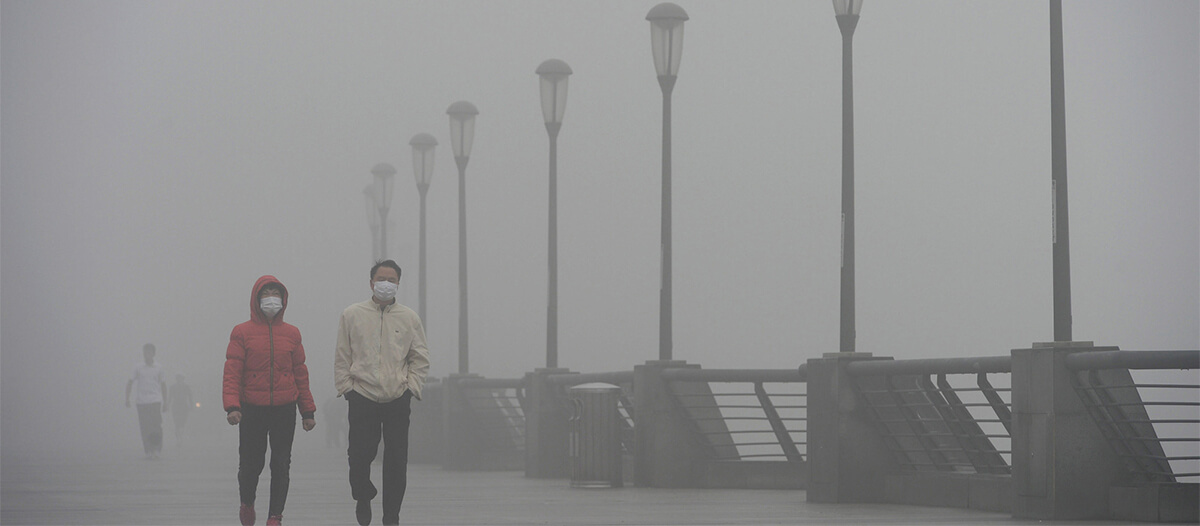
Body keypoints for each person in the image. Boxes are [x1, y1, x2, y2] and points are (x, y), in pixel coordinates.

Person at [335, 260, 430, 526]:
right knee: (359, 455)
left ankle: (391, 516)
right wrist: (346, 389)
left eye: (391, 279)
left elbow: (419, 357)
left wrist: (411, 388)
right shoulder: (352, 314)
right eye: (381, 278)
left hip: (397, 397)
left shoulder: (409, 318)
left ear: (398, 284)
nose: (386, 283)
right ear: (371, 282)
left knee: (396, 461)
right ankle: (362, 496)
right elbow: (343, 355)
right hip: (361, 395)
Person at [223, 276, 317, 526]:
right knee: (251, 464)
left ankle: (275, 516)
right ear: (257, 299)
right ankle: (247, 503)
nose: (271, 298)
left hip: (284, 409)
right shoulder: (242, 332)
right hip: (252, 408)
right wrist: (232, 406)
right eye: (267, 293)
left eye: (276, 293)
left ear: (284, 300)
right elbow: (232, 371)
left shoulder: (292, 334)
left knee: (281, 463)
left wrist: (307, 410)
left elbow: (300, 374)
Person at [125, 343, 168, 459]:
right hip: (142, 402)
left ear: (153, 354)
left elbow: (163, 385)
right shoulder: (138, 367)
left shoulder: (159, 368)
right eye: (145, 352)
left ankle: (157, 449)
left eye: (149, 352)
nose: (147, 354)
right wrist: (127, 398)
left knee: (156, 426)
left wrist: (165, 402)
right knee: (145, 427)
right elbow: (130, 382)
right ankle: (148, 450)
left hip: (155, 401)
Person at [169, 374, 194, 447]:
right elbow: (170, 397)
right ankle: (178, 438)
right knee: (176, 423)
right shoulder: (173, 387)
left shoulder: (186, 387)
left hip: (184, 406)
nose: (179, 380)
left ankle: (180, 436)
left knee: (182, 422)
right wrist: (167, 405)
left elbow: (190, 397)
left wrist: (191, 405)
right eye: (178, 379)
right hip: (176, 406)